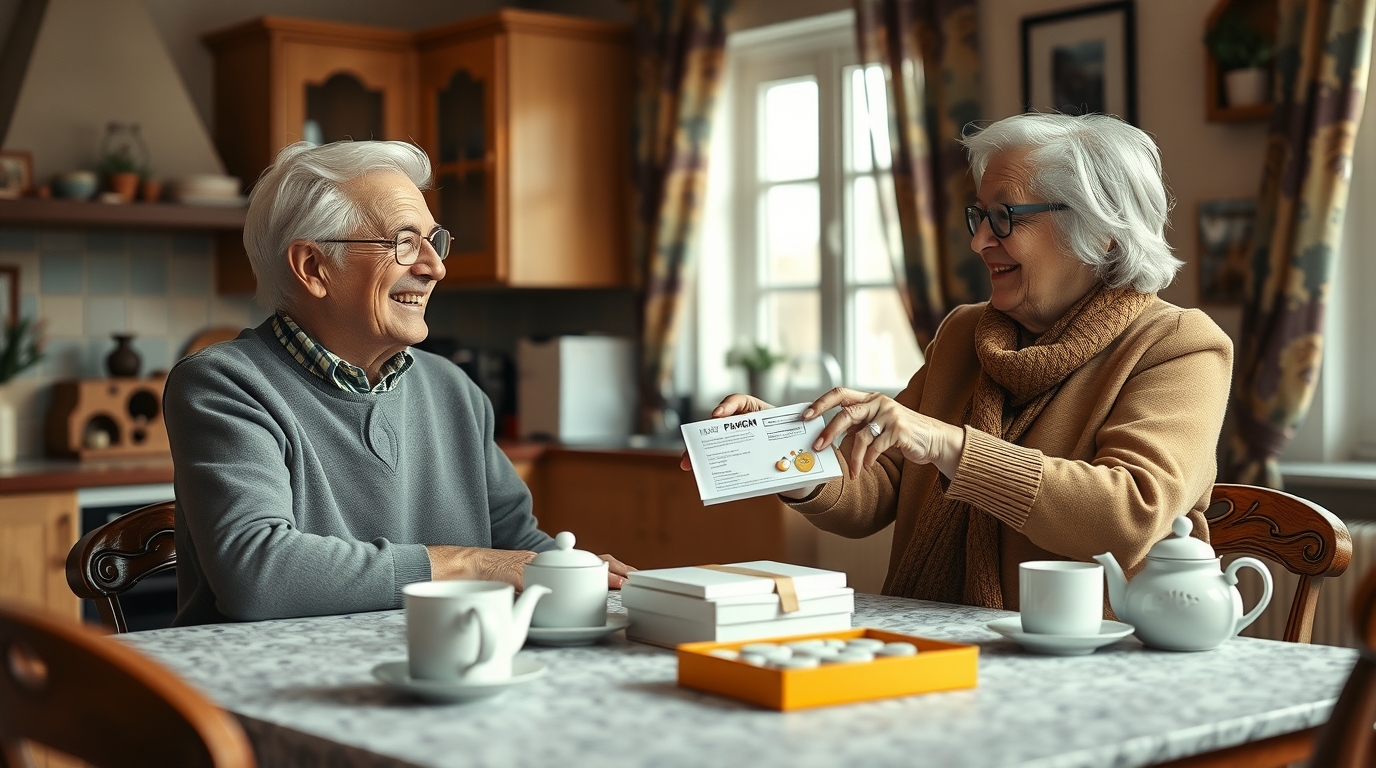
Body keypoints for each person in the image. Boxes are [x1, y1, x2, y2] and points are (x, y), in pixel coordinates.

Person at [687, 113, 1232, 609]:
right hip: (949, 646)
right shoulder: (963, 334)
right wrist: (785, 447)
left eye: (1005, 217)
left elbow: (1129, 513)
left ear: (1102, 233)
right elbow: (881, 485)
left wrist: (946, 444)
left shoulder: (1178, 345)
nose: (977, 242)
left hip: (1097, 663)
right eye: (979, 214)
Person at [165, 140, 632, 626]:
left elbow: (515, 547)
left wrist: (577, 572)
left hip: (445, 669)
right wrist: (466, 563)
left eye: (434, 241)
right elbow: (257, 576)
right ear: (313, 267)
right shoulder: (224, 384)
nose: (436, 267)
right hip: (266, 686)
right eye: (405, 242)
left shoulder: (454, 390)